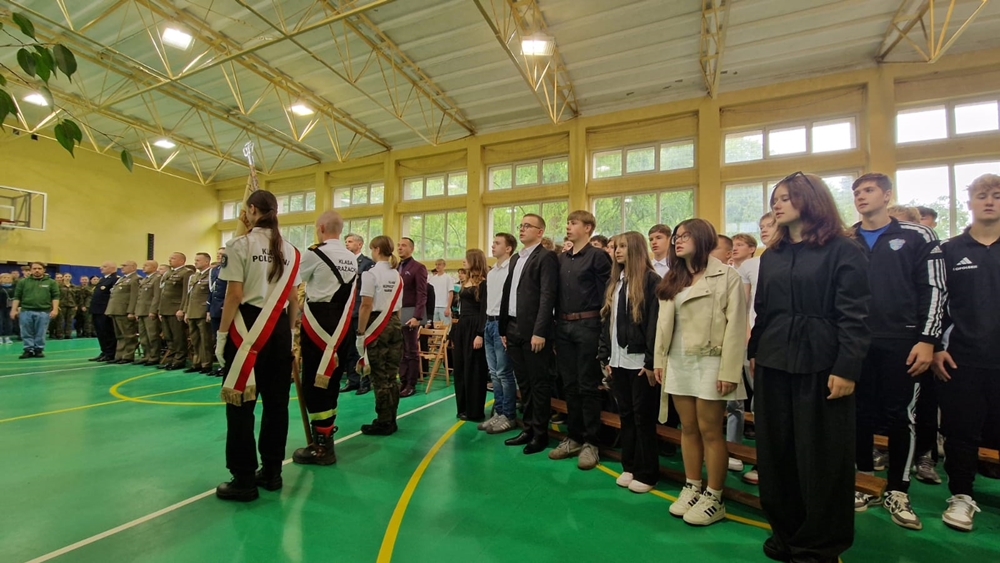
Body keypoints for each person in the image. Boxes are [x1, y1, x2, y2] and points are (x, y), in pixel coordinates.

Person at [749, 172, 871, 562]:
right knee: (776, 454)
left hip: (822, 364)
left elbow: (855, 315)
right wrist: (755, 352)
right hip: (774, 361)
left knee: (822, 459)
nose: (777, 205)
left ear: (812, 200)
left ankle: (819, 545)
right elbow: (764, 310)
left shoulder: (843, 249)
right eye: (775, 199)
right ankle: (786, 533)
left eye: (786, 198)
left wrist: (847, 367)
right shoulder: (772, 254)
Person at [850, 172, 945, 531]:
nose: (861, 196)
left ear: (887, 195)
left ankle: (897, 489)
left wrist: (928, 339)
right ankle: (862, 482)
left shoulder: (917, 235)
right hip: (857, 340)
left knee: (900, 416)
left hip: (903, 341)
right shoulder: (847, 239)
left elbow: (934, 289)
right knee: (858, 413)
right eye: (857, 192)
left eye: (868, 190)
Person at [652, 219, 747, 526]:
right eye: (676, 237)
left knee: (710, 431)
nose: (678, 241)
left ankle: (714, 496)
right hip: (678, 360)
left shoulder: (727, 276)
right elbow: (663, 326)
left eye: (685, 236)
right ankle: (692, 486)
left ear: (703, 239)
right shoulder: (674, 277)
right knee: (688, 428)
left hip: (711, 361)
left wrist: (729, 370)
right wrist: (659, 361)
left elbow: (736, 326)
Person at [215, 190, 301, 502]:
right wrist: (290, 333)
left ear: (252, 209)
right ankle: (273, 472)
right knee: (276, 405)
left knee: (240, 405)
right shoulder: (292, 250)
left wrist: (222, 335)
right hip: (278, 328)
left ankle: (243, 478)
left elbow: (234, 295)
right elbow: (293, 298)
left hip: (246, 328)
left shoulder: (239, 244)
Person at [932, 173, 1000, 532]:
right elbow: (936, 304)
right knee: (961, 431)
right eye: (982, 195)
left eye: (997, 195)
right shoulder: (949, 250)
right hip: (962, 358)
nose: (989, 201)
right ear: (970, 202)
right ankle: (961, 495)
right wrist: (936, 347)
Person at [293, 211, 358, 465]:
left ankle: (321, 448)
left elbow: (296, 282)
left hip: (319, 322)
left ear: (320, 228)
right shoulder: (351, 258)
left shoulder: (314, 253)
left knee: (315, 380)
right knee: (331, 379)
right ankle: (326, 437)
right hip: (342, 324)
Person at [598, 231, 662, 494]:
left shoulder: (650, 281)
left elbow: (655, 325)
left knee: (642, 417)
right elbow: (608, 323)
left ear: (635, 249)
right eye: (616, 247)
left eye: (623, 246)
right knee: (625, 414)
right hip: (618, 360)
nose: (617, 251)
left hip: (640, 362)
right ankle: (630, 465)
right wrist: (606, 355)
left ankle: (647, 472)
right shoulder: (616, 281)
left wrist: (651, 361)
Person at [550, 210, 613, 469]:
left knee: (588, 385)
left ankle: (591, 441)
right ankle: (574, 436)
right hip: (563, 325)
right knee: (569, 384)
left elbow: (606, 296)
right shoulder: (561, 259)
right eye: (567, 222)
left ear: (588, 228)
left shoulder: (598, 257)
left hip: (588, 325)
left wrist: (603, 333)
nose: (568, 226)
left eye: (573, 223)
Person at [500, 213, 559, 455]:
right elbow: (508, 293)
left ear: (540, 232)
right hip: (513, 328)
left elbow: (548, 296)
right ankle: (528, 428)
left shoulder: (546, 257)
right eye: (521, 225)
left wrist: (540, 331)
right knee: (523, 383)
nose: (522, 229)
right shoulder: (516, 258)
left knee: (538, 384)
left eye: (527, 226)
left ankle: (540, 434)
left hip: (534, 331)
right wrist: (503, 328)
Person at [356, 235, 404, 436]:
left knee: (379, 376)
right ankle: (391, 418)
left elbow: (366, 305)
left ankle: (383, 421)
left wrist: (360, 332)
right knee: (391, 374)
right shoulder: (397, 275)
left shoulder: (370, 274)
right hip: (394, 323)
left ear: (376, 249)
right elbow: (398, 307)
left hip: (377, 323)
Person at [479, 233, 518, 434]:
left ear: (508, 248)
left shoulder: (512, 269)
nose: (492, 245)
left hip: (502, 324)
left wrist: (506, 327)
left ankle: (509, 415)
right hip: (489, 322)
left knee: (504, 372)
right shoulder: (493, 271)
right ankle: (499, 411)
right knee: (494, 373)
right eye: (493, 242)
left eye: (497, 243)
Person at [452, 249, 488, 421]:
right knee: (460, 368)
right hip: (462, 325)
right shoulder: (465, 281)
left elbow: (484, 311)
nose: (463, 261)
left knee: (474, 369)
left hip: (475, 326)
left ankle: (475, 411)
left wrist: (480, 333)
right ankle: (462, 407)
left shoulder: (483, 283)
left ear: (474, 260)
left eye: (466, 258)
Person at [341, 233, 375, 394]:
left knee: (362, 347)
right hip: (347, 309)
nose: (347, 244)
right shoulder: (343, 262)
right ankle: (353, 379)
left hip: (360, 309)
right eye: (346, 241)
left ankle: (365, 381)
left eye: (350, 241)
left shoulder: (367, 264)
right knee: (349, 348)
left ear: (360, 244)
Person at [396, 237, 427, 398]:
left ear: (411, 249)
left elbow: (422, 293)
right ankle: (402, 380)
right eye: (398, 245)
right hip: (397, 311)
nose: (400, 248)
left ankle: (411, 384)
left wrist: (417, 316)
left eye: (404, 245)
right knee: (400, 350)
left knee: (411, 350)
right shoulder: (395, 267)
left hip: (411, 311)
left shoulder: (418, 267)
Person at [9, 262, 60, 359]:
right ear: (31, 270)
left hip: (44, 311)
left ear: (44, 270)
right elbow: (17, 297)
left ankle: (38, 349)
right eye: (34, 268)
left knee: (41, 332)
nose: (37, 270)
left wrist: (55, 309)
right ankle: (28, 349)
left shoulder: (51, 282)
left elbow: (55, 297)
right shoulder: (23, 282)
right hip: (26, 311)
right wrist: (13, 310)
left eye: (39, 268)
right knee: (26, 332)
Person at [158, 253, 194, 370]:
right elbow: (163, 293)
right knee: (168, 336)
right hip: (165, 309)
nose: (170, 260)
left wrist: (182, 309)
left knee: (178, 336)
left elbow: (186, 293)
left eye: (173, 258)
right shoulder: (168, 273)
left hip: (175, 309)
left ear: (182, 260)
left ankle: (179, 360)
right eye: (170, 258)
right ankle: (170, 358)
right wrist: (160, 310)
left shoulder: (186, 273)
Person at [183, 253, 214, 374]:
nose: (195, 262)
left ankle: (206, 364)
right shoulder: (194, 276)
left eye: (198, 260)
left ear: (206, 262)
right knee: (195, 340)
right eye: (195, 260)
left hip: (202, 311)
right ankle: (196, 363)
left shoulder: (211, 274)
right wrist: (186, 311)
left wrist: (209, 311)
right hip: (192, 311)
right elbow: (189, 295)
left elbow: (212, 294)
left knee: (205, 340)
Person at [106, 261, 141, 363]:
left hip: (125, 310)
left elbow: (134, 296)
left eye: (125, 266)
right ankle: (119, 355)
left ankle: (128, 356)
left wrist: (131, 311)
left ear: (133, 267)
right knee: (119, 335)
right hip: (116, 310)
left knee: (128, 335)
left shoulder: (136, 279)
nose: (122, 267)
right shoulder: (122, 278)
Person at [88, 262, 119, 362]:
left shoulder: (115, 279)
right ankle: (104, 351)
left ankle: (110, 353)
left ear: (112, 268)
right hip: (97, 310)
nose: (101, 268)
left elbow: (113, 296)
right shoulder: (103, 279)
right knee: (100, 333)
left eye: (105, 266)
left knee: (108, 333)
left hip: (105, 310)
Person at [136, 261, 163, 366]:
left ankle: (154, 356)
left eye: (146, 265)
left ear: (154, 267)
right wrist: (137, 311)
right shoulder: (145, 279)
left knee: (152, 335)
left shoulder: (157, 278)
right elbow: (139, 297)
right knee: (143, 336)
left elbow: (157, 296)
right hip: (142, 311)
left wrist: (153, 310)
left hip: (149, 311)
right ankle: (146, 355)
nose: (143, 267)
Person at [209, 249, 228, 376]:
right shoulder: (214, 270)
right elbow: (211, 291)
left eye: (222, 254)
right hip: (215, 308)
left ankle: (227, 365)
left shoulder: (232, 268)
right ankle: (221, 365)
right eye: (218, 254)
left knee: (226, 338)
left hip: (227, 307)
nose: (219, 256)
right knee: (217, 338)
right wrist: (208, 309)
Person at [427, 258, 455, 326]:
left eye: (439, 264)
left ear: (444, 265)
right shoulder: (432, 279)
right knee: (435, 327)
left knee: (446, 327)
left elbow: (451, 294)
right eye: (436, 265)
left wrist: (448, 307)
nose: (437, 266)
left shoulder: (448, 278)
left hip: (444, 306)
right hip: (434, 307)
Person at [55, 275, 77, 339]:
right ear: (63, 277)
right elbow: (56, 296)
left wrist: (76, 305)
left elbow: (77, 296)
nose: (67, 278)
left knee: (69, 321)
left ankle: (68, 334)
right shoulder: (59, 286)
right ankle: (59, 334)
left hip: (71, 305)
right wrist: (57, 305)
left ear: (71, 277)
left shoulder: (74, 286)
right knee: (60, 321)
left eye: (69, 276)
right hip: (62, 305)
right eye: (66, 276)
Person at [0, 273, 14, 345]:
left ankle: (7, 337)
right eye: (4, 277)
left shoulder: (14, 287)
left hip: (10, 308)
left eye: (8, 277)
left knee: (9, 323)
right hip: (0, 308)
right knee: (0, 322)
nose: (6, 279)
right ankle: (0, 337)